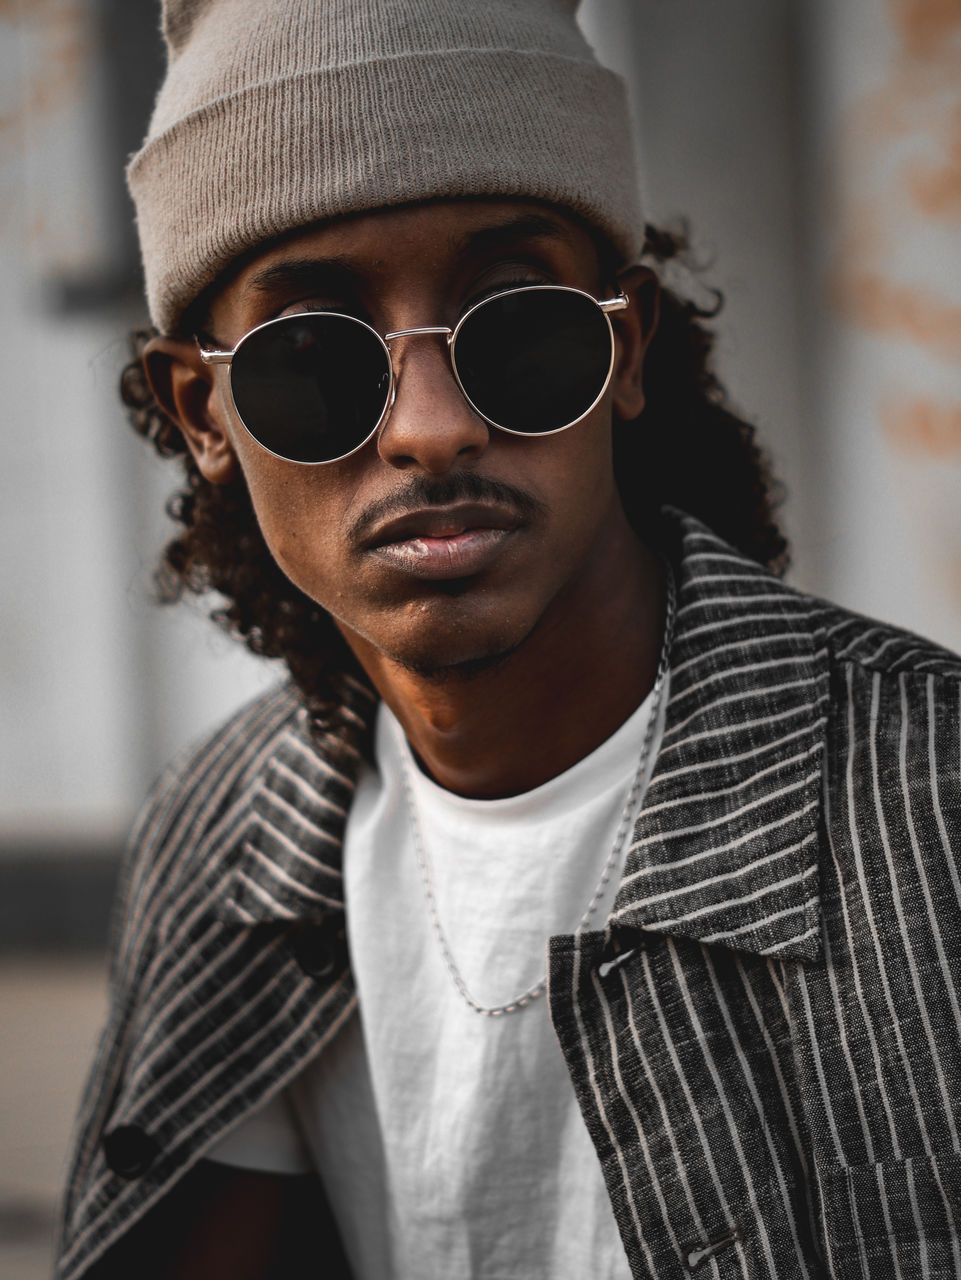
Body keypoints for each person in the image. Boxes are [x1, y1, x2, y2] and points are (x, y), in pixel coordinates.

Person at [57, 1, 961, 1278]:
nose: (430, 426)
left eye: (516, 330)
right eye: (313, 355)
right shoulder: (222, 844)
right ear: (202, 411)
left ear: (623, 350)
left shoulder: (931, 806)